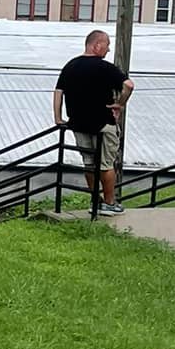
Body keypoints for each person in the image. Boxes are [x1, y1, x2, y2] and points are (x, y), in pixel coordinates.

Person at [53, 29, 134, 216]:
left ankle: (94, 201)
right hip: (102, 124)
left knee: (89, 163)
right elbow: (129, 85)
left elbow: (58, 92)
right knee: (106, 164)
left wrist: (58, 118)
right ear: (96, 45)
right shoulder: (104, 67)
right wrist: (119, 104)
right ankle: (109, 203)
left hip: (78, 124)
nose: (107, 51)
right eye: (106, 46)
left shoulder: (70, 66)